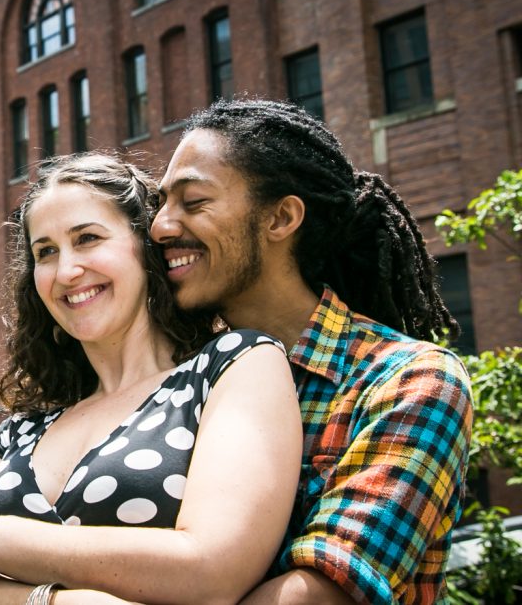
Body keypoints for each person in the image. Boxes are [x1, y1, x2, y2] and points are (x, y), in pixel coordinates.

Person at [0, 153, 303, 605]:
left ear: (144, 247)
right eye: (46, 252)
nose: (66, 271)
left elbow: (211, 571)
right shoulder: (19, 432)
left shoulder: (233, 366)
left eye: (88, 239)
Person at [150, 98, 473, 605]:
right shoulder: (171, 376)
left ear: (281, 217)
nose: (161, 227)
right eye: (161, 205)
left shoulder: (410, 382)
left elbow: (322, 592)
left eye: (193, 203)